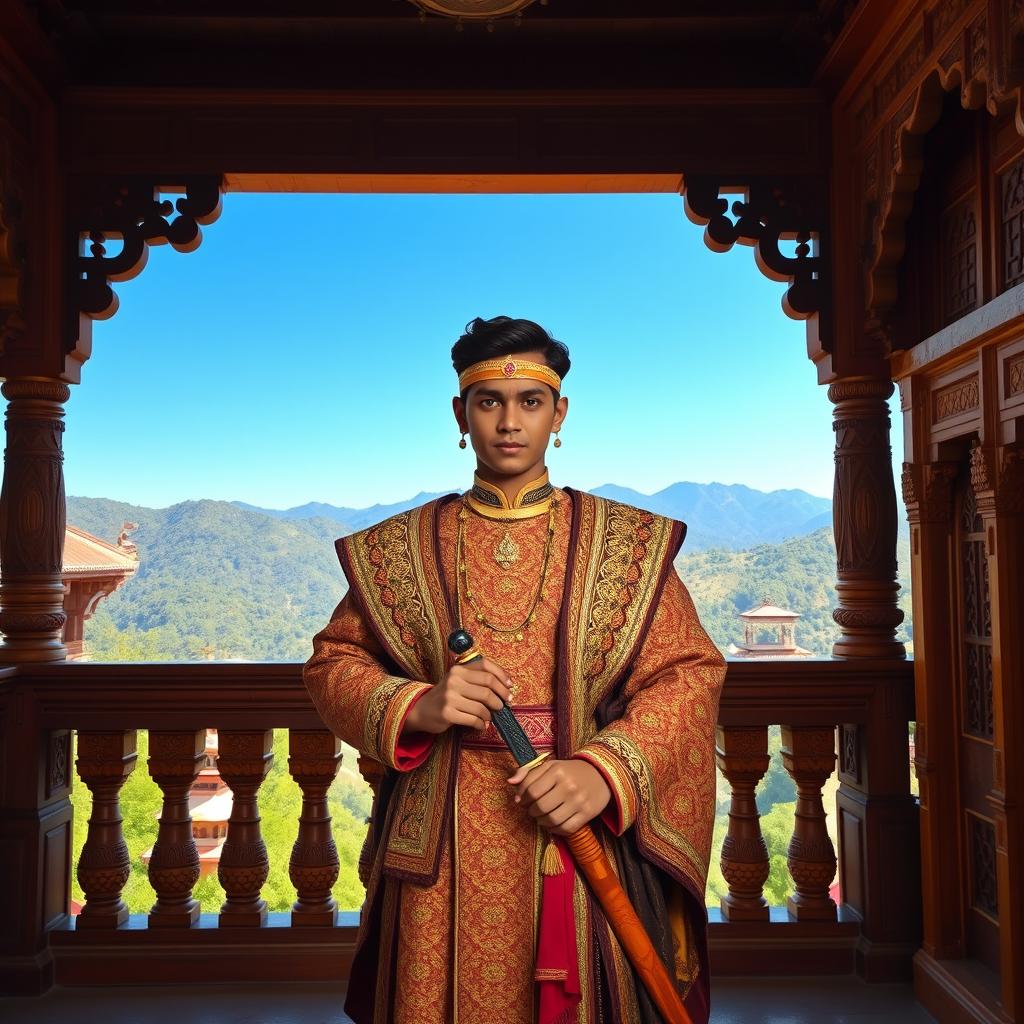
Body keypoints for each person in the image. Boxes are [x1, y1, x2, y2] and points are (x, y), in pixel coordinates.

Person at [303, 316, 726, 1024]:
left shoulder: (628, 545)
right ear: (460, 415)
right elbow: (332, 662)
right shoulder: (400, 547)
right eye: (488, 402)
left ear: (559, 415)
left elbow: (689, 673)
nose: (509, 421)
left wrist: (603, 771)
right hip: (439, 839)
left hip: (576, 825)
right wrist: (419, 706)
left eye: (530, 402)